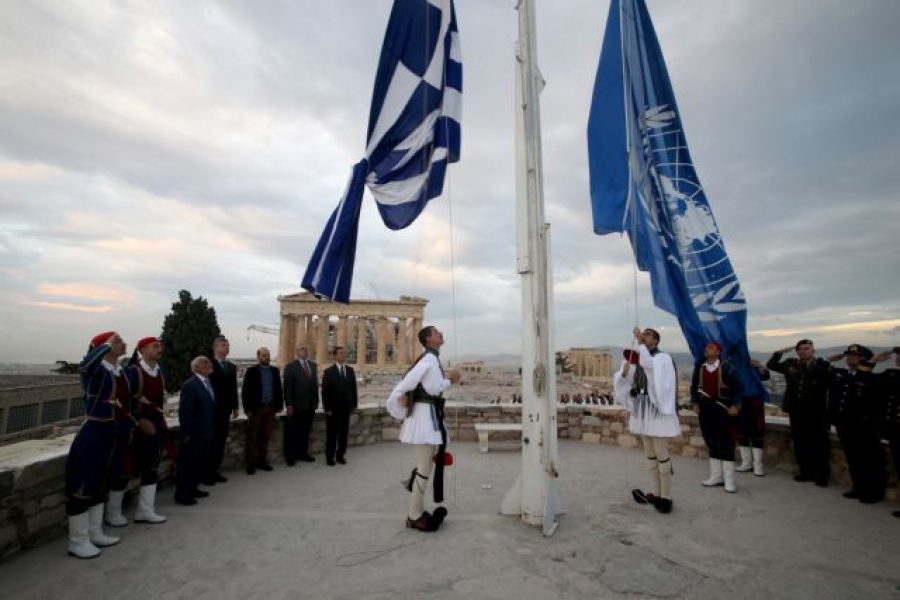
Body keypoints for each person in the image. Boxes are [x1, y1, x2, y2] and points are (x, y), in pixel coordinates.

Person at [65, 332, 137, 558]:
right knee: (84, 483)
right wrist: (105, 344)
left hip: (114, 432)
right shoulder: (95, 371)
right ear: (103, 348)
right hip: (96, 432)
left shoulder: (120, 372)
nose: (123, 343)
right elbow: (85, 367)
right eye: (117, 341)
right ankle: (77, 540)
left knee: (101, 481)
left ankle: (95, 532)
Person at [386, 326, 461, 531]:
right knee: (424, 467)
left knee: (424, 466)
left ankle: (416, 511)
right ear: (429, 339)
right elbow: (432, 388)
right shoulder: (429, 360)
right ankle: (414, 515)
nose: (441, 334)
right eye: (437, 332)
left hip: (426, 417)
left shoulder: (429, 359)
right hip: (424, 420)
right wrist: (450, 381)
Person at [109, 337, 168, 526]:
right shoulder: (132, 372)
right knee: (124, 469)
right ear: (142, 350)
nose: (160, 349)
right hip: (135, 427)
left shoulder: (160, 371)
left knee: (152, 466)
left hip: (156, 424)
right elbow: (122, 401)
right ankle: (113, 513)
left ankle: (145, 510)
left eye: (160, 345)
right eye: (155, 346)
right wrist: (138, 421)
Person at [620, 328, 681, 513]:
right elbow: (631, 379)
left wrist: (640, 344)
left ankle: (666, 496)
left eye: (647, 335)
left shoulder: (662, 358)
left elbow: (654, 372)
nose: (643, 337)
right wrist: (624, 375)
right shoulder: (642, 358)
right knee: (649, 453)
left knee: (661, 453)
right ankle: (655, 493)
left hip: (656, 410)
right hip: (642, 408)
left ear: (655, 340)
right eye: (642, 335)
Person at [823, 344, 884, 504]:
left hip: (864, 426)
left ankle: (873, 492)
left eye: (856, 356)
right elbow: (820, 371)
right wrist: (828, 359)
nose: (851, 358)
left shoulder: (872, 378)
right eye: (849, 355)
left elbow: (877, 404)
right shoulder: (840, 374)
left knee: (869, 460)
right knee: (853, 458)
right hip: (844, 425)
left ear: (864, 359)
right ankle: (858, 488)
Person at [767, 339, 831, 486]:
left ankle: (821, 475)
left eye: (807, 348)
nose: (803, 351)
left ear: (813, 351)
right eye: (800, 349)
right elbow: (771, 365)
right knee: (800, 442)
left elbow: (826, 379)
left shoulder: (821, 365)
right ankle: (806, 472)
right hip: (796, 410)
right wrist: (778, 353)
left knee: (819, 444)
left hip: (816, 411)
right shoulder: (791, 364)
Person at [690, 342, 741, 493]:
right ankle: (716, 476)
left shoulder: (727, 367)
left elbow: (739, 388)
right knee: (711, 440)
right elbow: (694, 387)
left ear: (719, 352)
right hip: (706, 409)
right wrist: (694, 402)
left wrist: (736, 405)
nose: (706, 349)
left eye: (710, 347)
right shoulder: (700, 368)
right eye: (706, 348)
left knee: (726, 442)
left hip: (723, 409)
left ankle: (729, 480)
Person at [175, 357, 217, 506]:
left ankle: (193, 489)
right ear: (197, 367)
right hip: (194, 434)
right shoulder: (191, 385)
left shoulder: (207, 382)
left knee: (200, 463)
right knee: (188, 465)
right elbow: (185, 411)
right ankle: (183, 495)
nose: (210, 364)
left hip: (206, 432)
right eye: (206, 362)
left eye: (209, 362)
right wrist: (186, 433)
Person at [241, 347, 283, 474]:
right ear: (258, 357)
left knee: (265, 437)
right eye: (264, 355)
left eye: (268, 355)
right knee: (252, 438)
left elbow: (278, 389)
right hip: (255, 409)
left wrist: (279, 406)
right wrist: (247, 409)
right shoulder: (251, 371)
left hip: (270, 408)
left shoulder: (275, 371)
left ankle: (262, 462)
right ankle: (251, 463)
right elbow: (245, 391)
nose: (267, 357)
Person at [205, 336, 239, 486]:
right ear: (215, 348)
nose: (227, 347)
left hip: (225, 410)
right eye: (224, 345)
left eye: (228, 345)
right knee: (210, 443)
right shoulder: (208, 365)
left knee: (220, 442)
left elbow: (233, 388)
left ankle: (214, 471)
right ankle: (206, 473)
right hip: (212, 410)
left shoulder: (231, 366)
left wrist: (235, 406)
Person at [873, 347, 900, 517]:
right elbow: (865, 379)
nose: (899, 358)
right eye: (899, 355)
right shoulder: (891, 375)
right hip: (895, 431)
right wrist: (874, 360)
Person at [283, 343, 319, 465]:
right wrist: (289, 405)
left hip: (310, 405)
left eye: (306, 349)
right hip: (296, 405)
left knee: (305, 431)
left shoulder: (313, 366)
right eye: (301, 349)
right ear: (297, 352)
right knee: (292, 431)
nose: (304, 351)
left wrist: (316, 401)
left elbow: (314, 385)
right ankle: (290, 456)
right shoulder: (290, 367)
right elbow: (287, 387)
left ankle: (303, 453)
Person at [321, 347, 358, 466]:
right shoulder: (329, 372)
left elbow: (353, 389)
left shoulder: (350, 370)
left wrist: (354, 405)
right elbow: (325, 392)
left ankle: (340, 455)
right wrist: (327, 409)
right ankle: (329, 457)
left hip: (346, 408)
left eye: (344, 353)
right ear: (335, 356)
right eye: (341, 353)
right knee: (331, 434)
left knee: (343, 434)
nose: (343, 355)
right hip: (333, 409)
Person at [735, 359, 771, 476]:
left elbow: (765, 376)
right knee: (741, 434)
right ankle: (746, 463)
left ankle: (758, 465)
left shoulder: (753, 365)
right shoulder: (733, 367)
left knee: (757, 434)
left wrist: (760, 365)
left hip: (754, 404)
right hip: (740, 404)